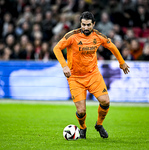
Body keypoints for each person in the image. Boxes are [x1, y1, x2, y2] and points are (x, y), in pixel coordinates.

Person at [53, 11, 130, 139]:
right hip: (75, 78)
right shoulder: (72, 36)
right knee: (81, 111)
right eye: (84, 24)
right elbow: (56, 48)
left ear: (93, 24)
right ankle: (82, 128)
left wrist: (122, 62)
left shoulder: (98, 36)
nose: (86, 27)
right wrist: (64, 65)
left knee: (105, 102)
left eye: (89, 25)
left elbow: (112, 47)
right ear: (80, 24)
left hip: (93, 75)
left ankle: (99, 125)